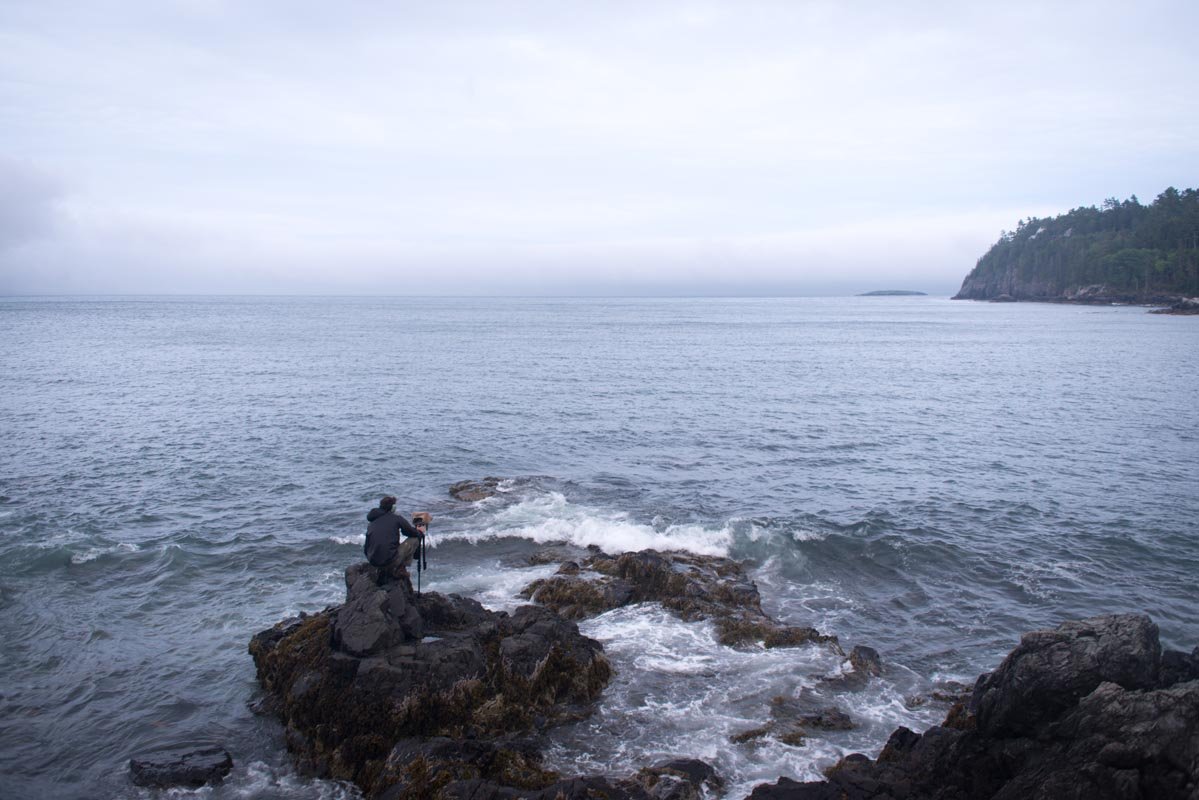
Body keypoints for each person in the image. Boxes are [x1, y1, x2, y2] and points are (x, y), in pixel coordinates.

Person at [364, 495, 425, 582]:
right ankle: (400, 569)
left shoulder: (371, 522)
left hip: (373, 561)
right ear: (393, 507)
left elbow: (366, 547)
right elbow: (411, 532)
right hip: (390, 561)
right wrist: (420, 532)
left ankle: (382, 570)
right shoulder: (396, 518)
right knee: (414, 539)